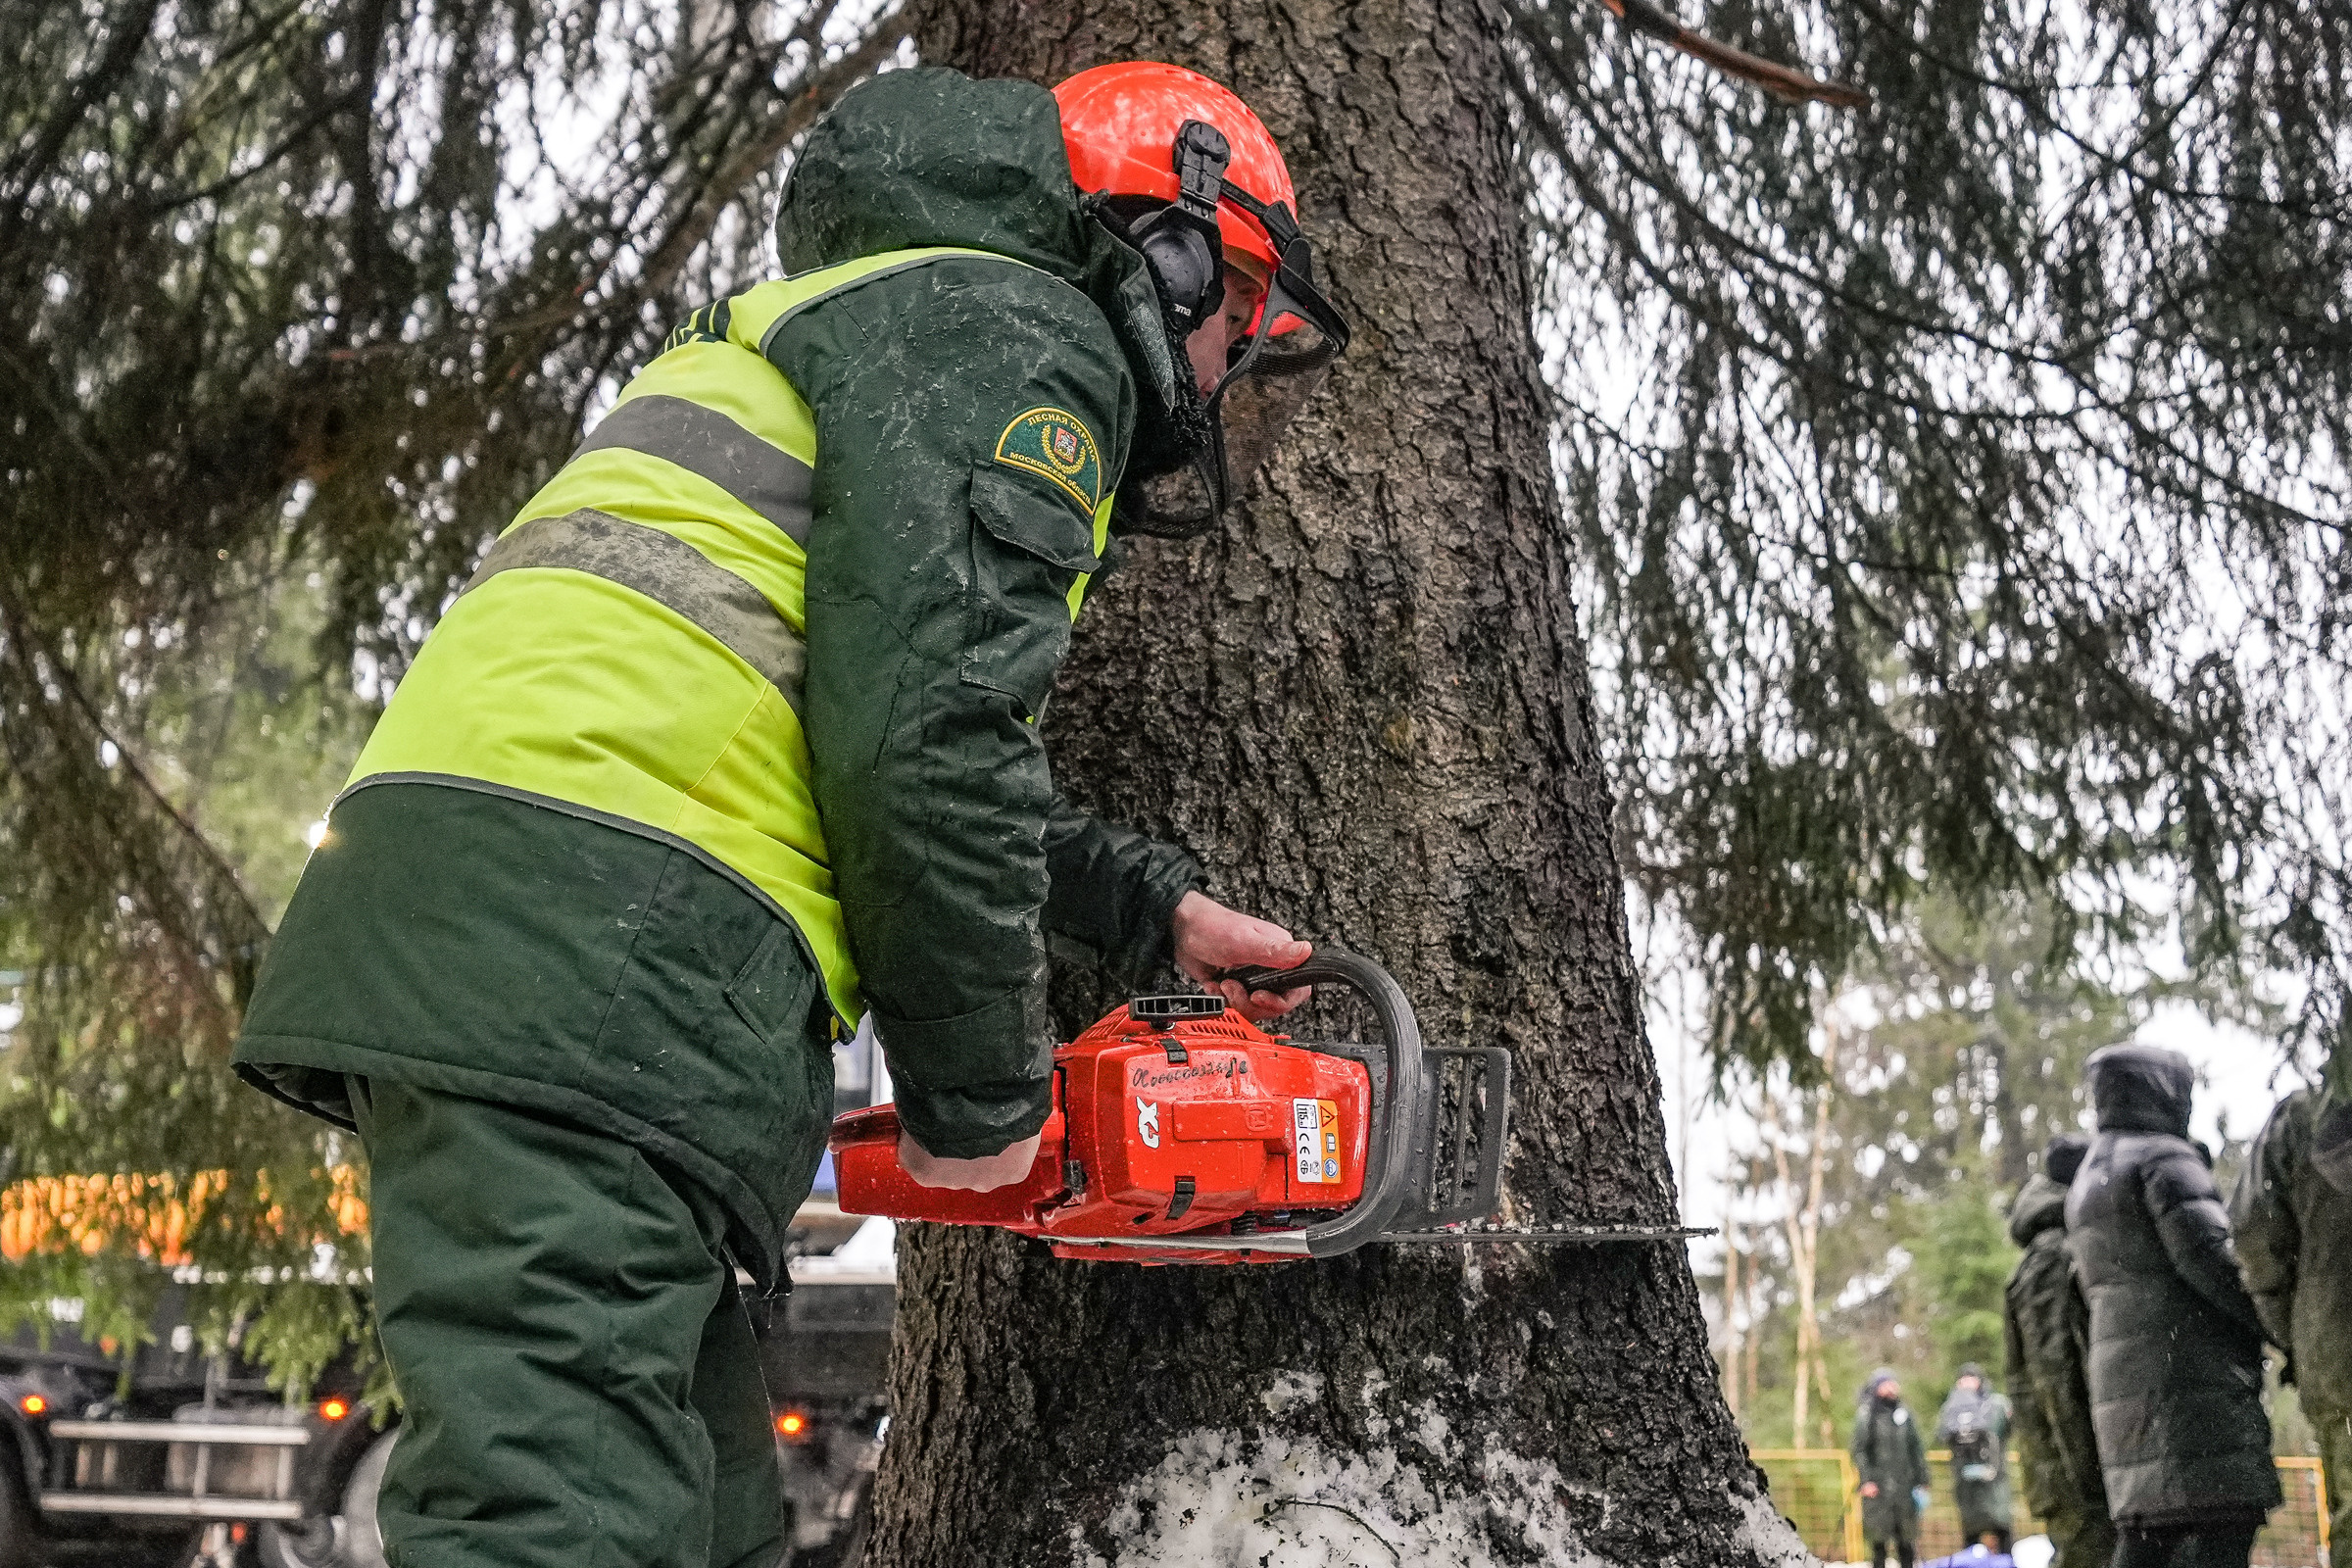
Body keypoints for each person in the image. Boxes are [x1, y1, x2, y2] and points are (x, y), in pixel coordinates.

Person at [231, 62, 1349, 1568]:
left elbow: (877, 715)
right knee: (554, 1529)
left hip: (574, 955)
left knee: (700, 1523)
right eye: (1237, 322)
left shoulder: (887, 321)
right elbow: (926, 747)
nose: (1222, 376)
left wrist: (1148, 908)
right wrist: (987, 1111)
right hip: (588, 968)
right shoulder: (1013, 331)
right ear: (1168, 248)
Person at [2067, 1045, 2279, 1568]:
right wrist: (2282, 1329)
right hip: (2192, 1388)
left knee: (2147, 1538)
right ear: (2164, 1091)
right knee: (2219, 1536)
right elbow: (2219, 1266)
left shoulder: (2090, 1174)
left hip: (2127, 1393)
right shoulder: (2163, 1158)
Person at [2229, 1071, 2352, 1557]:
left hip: (2338, 1359)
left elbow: (2256, 1246)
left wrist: (2299, 1333)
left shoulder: (2304, 1116)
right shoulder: (2305, 1117)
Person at [2001, 1133, 2114, 1568]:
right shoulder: (2053, 1257)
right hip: (2076, 1474)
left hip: (2071, 1471)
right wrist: (2094, 1477)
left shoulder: (2051, 1251)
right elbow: (2057, 1381)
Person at [1855, 1368, 1934, 1568]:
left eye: (1893, 1383)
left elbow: (1916, 1448)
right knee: (1879, 1542)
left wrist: (1923, 1479)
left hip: (1904, 1489)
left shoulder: (1905, 1414)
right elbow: (1859, 1450)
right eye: (1886, 1384)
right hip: (1878, 1491)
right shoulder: (1867, 1415)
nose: (1891, 1387)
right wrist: (1866, 1481)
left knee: (1906, 1541)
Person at [1936, 1362, 2016, 1553]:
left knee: (2002, 1527)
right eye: (1963, 1379)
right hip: (1966, 1483)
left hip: (1994, 1478)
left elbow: (2007, 1430)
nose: (1966, 1383)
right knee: (1971, 1532)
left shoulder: (1996, 1404)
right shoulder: (1951, 1409)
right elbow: (1942, 1435)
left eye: (1970, 1378)